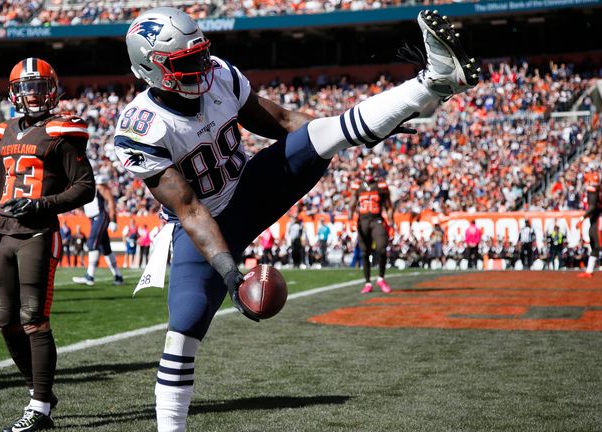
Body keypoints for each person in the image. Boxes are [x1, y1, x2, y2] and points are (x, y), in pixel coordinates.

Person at [115, 7, 478, 431]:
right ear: (150, 70)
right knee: (184, 329)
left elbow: (287, 122)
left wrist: (363, 127)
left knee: (327, 134)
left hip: (252, 189)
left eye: (200, 54)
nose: (201, 67)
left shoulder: (220, 76)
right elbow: (190, 209)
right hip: (205, 225)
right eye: (185, 63)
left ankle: (430, 83)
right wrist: (231, 273)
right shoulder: (140, 129)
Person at [0, 58, 95, 431]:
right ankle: (40, 391)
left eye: (40, 86)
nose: (34, 94)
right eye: (27, 87)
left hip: (37, 233)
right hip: (4, 231)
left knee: (33, 320)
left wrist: (41, 204)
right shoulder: (4, 130)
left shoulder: (61, 129)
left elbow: (85, 187)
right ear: (15, 92)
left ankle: (39, 409)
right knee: (5, 320)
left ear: (52, 88)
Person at [72, 172, 124, 286]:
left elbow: (110, 200)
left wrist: (114, 219)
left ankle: (89, 276)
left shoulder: (98, 184)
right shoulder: (85, 187)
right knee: (105, 249)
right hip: (93, 218)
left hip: (100, 216)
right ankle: (118, 276)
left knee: (92, 243)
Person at [351, 158, 394, 293]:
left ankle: (381, 278)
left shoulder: (381, 186)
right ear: (363, 171)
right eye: (367, 169)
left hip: (377, 220)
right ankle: (368, 282)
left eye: (371, 169)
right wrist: (349, 219)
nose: (369, 172)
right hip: (363, 220)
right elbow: (352, 204)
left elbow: (389, 206)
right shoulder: (358, 186)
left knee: (381, 248)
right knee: (364, 252)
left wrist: (391, 221)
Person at [578, 168, 602, 277]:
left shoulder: (594, 191)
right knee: (594, 245)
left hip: (598, 219)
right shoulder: (601, 191)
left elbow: (592, 206)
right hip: (596, 219)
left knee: (599, 244)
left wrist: (581, 219)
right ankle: (589, 271)